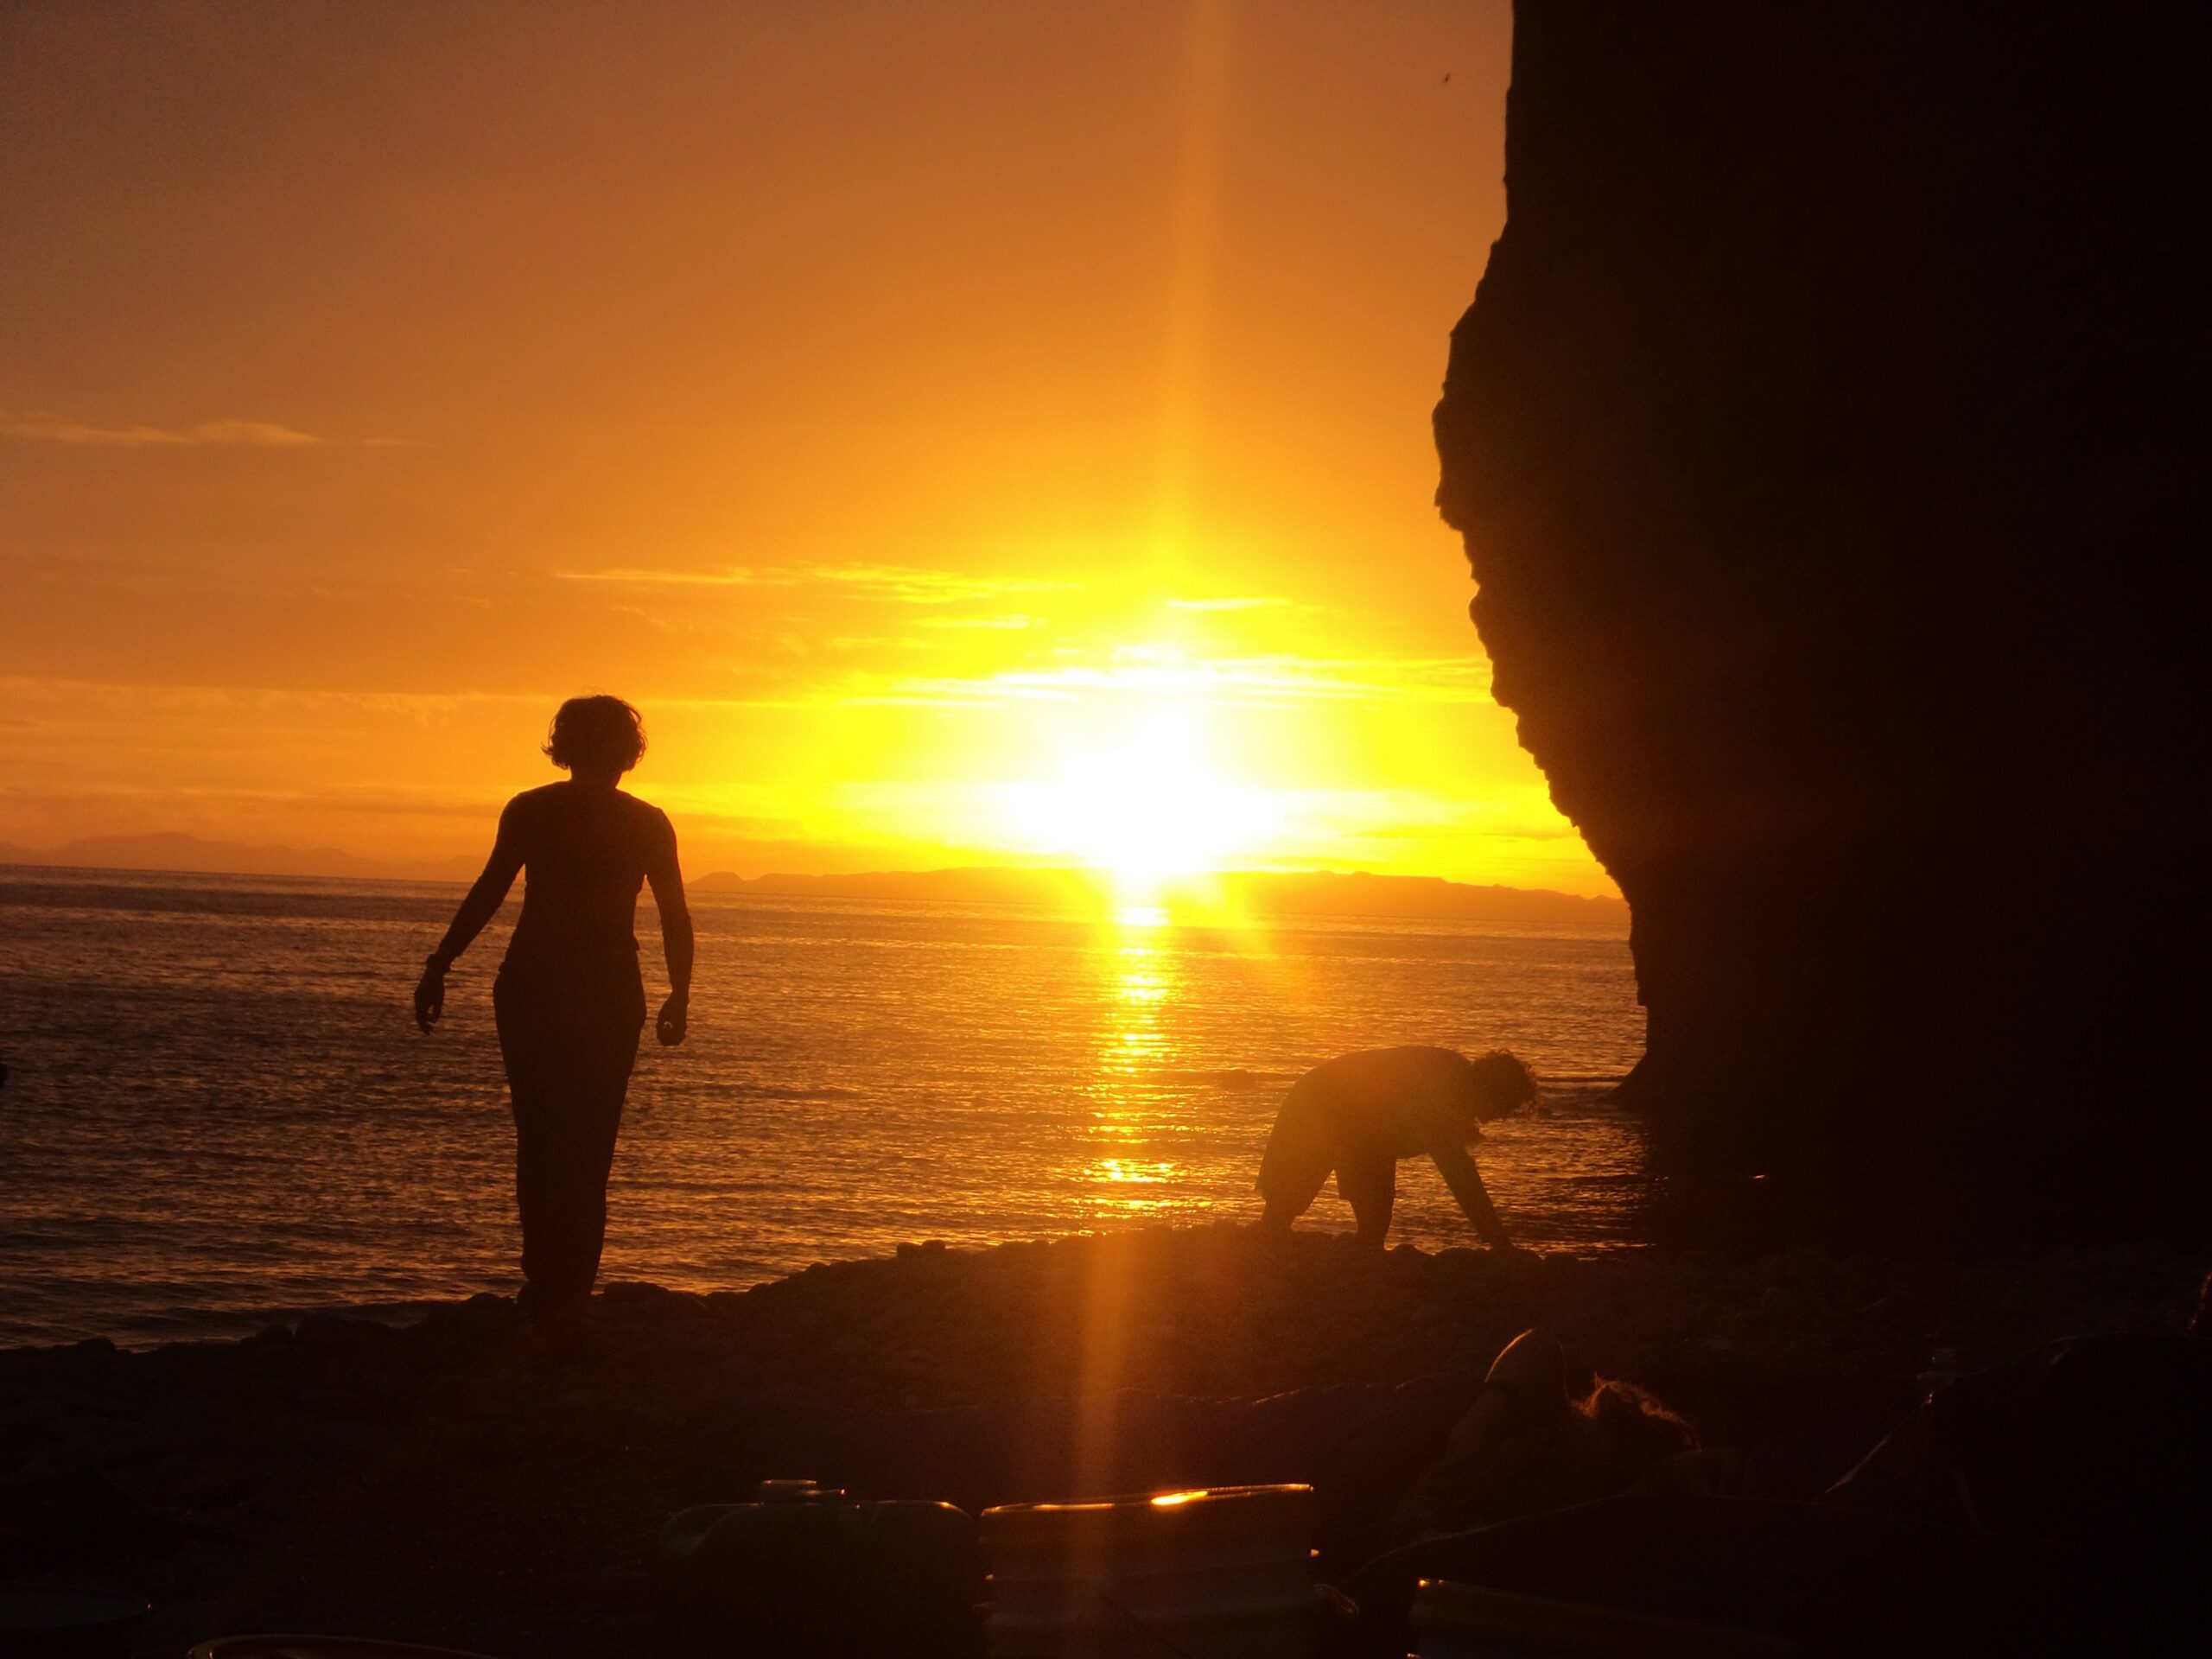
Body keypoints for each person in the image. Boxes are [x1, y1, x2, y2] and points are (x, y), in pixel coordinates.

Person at [414, 695, 693, 1319]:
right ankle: (569, 1289)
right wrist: (680, 992)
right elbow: (675, 913)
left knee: (537, 1135)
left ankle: (545, 1281)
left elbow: (488, 891)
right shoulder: (647, 823)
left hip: (533, 986)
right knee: (591, 1142)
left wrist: (440, 965)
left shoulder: (532, 810)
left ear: (564, 747)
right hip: (605, 991)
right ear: (628, 752)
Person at [1255, 1046, 1535, 1249]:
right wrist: (1499, 1241)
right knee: (1284, 1208)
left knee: (1373, 1225)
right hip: (1321, 1102)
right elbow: (1459, 1174)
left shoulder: (1457, 1077)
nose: (1503, 1115)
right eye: (1506, 1106)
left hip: (1360, 1123)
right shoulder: (1446, 1091)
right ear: (1494, 1090)